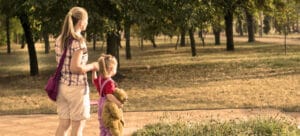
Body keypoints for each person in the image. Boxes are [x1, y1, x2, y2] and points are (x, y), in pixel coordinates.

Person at [54, 7, 98, 136]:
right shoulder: (79, 42)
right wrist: (93, 66)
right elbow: (75, 68)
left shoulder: (59, 39)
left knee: (63, 125)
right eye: (87, 20)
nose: (87, 23)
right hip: (77, 89)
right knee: (77, 127)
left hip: (62, 87)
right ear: (81, 22)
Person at [92, 54, 123, 136]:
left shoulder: (100, 79)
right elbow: (109, 95)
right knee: (109, 126)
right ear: (111, 68)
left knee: (102, 126)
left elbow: (93, 81)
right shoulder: (110, 82)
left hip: (100, 104)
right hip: (107, 105)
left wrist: (94, 71)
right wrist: (118, 103)